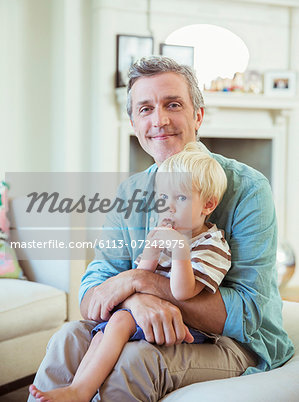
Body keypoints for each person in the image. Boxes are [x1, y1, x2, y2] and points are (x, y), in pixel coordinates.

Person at [28, 56, 293, 402]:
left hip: (235, 343)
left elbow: (246, 316)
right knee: (67, 340)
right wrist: (136, 301)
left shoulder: (247, 188)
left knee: (135, 361)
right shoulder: (130, 193)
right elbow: (94, 290)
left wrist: (140, 282)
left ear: (197, 116)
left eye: (172, 105)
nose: (159, 120)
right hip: (144, 325)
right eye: (145, 109)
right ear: (134, 123)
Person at [29, 144, 231, 401]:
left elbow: (182, 292)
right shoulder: (169, 236)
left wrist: (179, 249)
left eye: (180, 198)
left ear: (208, 205)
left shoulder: (211, 244)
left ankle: (81, 391)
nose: (168, 207)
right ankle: (76, 388)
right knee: (99, 334)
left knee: (120, 321)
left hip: (187, 326)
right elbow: (140, 276)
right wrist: (152, 248)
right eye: (163, 199)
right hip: (151, 315)